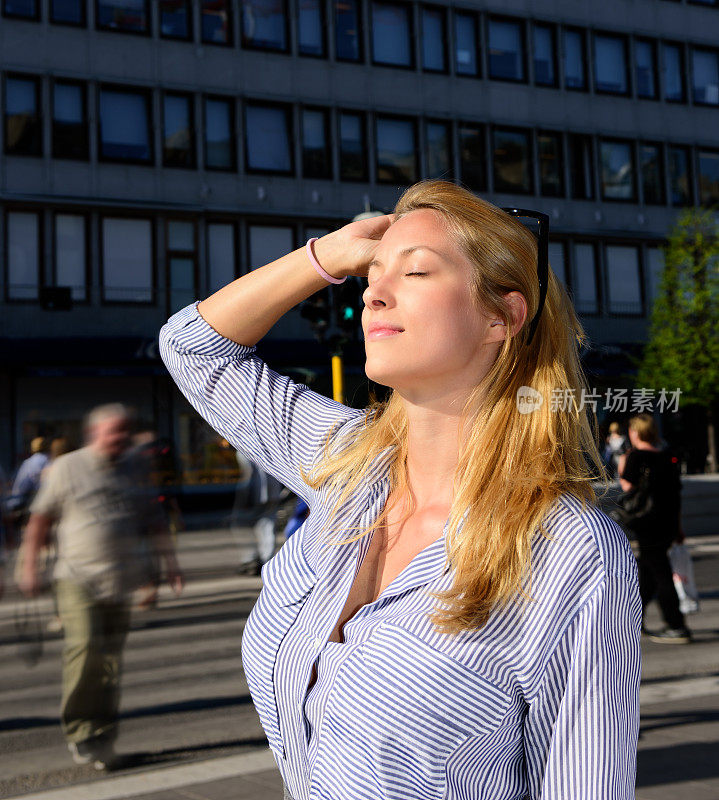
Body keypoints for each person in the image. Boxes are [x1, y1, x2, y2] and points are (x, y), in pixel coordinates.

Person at [159, 180, 641, 799]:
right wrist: (329, 256)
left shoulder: (566, 549)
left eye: (414, 273)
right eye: (370, 276)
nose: (373, 295)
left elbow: (588, 784)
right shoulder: (350, 464)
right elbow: (194, 349)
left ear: (502, 316)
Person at [18, 403, 184, 770]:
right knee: (86, 648)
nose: (122, 438)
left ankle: (102, 735)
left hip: (119, 580)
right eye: (115, 432)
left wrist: (167, 568)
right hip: (77, 577)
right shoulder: (67, 467)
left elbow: (154, 522)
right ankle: (80, 731)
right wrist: (28, 567)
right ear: (95, 434)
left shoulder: (134, 467)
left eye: (126, 431)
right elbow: (39, 521)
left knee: (109, 662)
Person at [618, 413, 690, 644]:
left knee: (659, 573)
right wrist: (678, 528)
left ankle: (676, 624)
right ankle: (632, 619)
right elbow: (676, 495)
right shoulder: (668, 457)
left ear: (635, 432)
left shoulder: (636, 457)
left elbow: (628, 487)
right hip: (667, 523)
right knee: (648, 571)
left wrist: (623, 465)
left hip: (646, 523)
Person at [7, 436, 49, 524]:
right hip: (50, 504)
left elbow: (21, 487)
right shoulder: (52, 460)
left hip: (32, 506)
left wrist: (14, 503)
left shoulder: (29, 462)